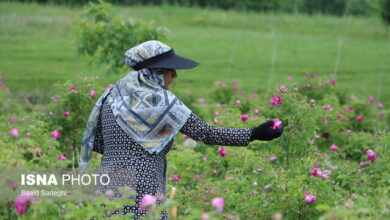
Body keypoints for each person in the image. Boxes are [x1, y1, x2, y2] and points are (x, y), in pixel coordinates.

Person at [81, 40, 284, 220]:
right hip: (142, 185)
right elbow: (205, 133)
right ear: (155, 72)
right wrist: (253, 134)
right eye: (170, 70)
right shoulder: (161, 100)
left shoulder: (110, 98)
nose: (175, 75)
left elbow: (101, 142)